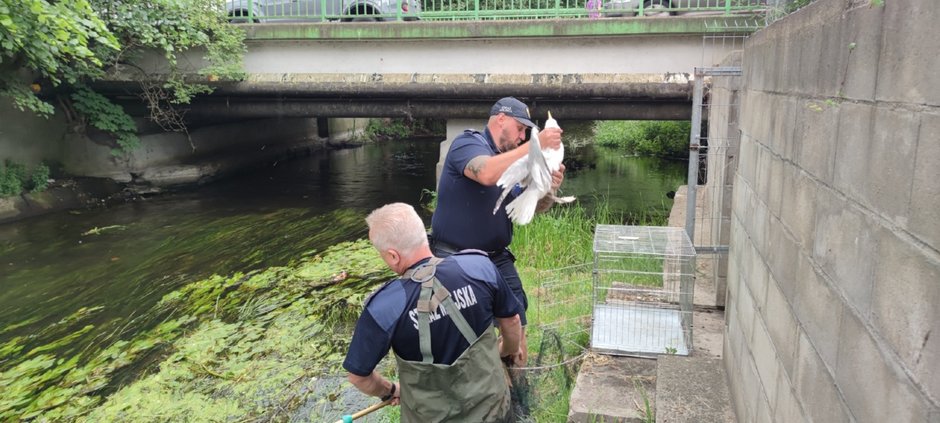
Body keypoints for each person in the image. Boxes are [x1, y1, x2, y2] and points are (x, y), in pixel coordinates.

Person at [343, 202, 524, 423]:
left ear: (393, 256)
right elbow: (512, 321)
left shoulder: (383, 308)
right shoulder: (479, 267)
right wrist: (507, 349)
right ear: (422, 234)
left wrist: (390, 390)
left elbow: (358, 377)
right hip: (494, 411)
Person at [429, 96, 566, 362]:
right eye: (521, 129)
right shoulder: (467, 144)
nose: (522, 137)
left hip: (497, 259)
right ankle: (483, 381)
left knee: (517, 325)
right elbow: (485, 174)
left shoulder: (511, 161)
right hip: (457, 260)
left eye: (528, 133)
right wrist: (535, 147)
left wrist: (548, 189)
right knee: (470, 334)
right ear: (500, 119)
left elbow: (528, 207)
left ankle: (515, 384)